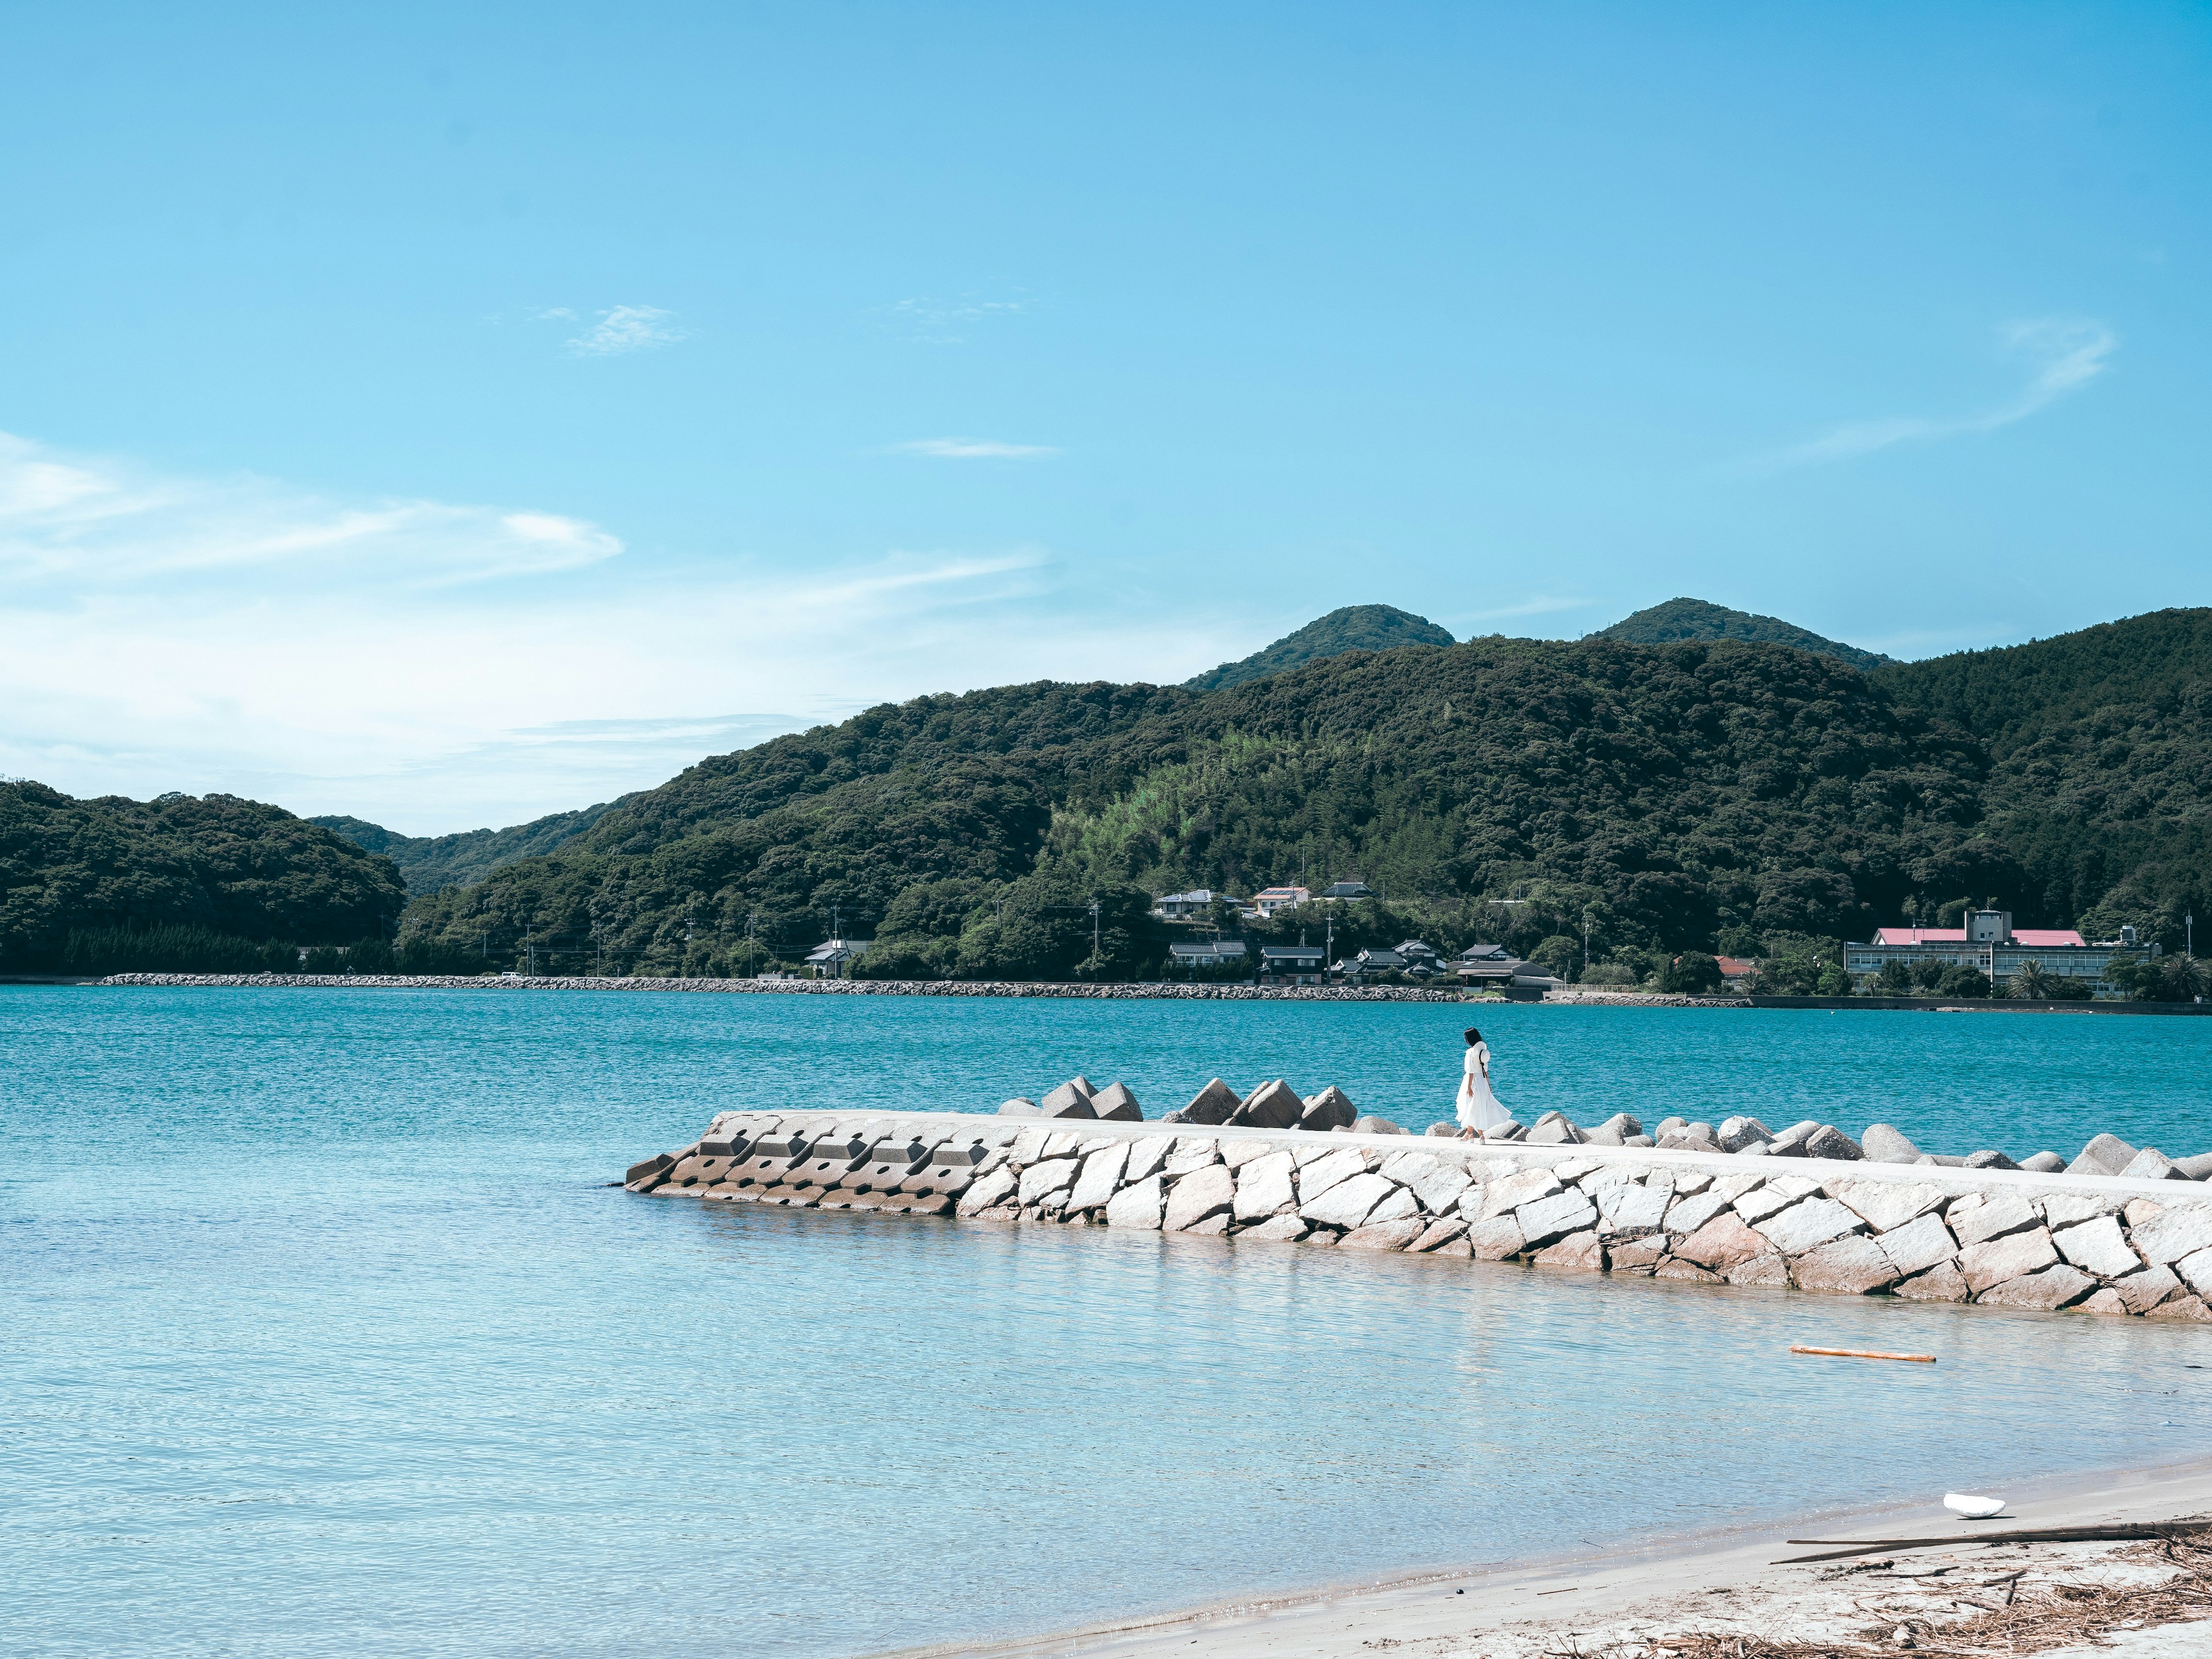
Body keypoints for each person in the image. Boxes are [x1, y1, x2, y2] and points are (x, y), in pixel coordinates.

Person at [1455, 1027, 1514, 1137]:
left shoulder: (1470, 1052)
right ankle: (1470, 1133)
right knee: (1477, 1106)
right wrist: (1488, 1085)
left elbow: (1471, 1071)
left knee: (1470, 1106)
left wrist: (1469, 1087)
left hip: (1472, 1081)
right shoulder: (1483, 1052)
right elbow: (1486, 1071)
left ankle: (1476, 1134)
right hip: (1482, 1081)